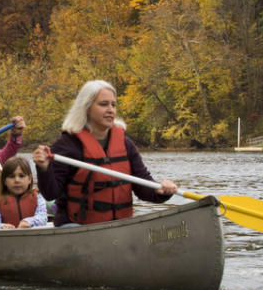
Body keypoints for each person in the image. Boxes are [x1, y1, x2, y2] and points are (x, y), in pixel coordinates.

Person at [32, 80, 177, 226]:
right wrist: (44, 168)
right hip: (76, 226)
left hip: (118, 226)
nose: (111, 110)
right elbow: (51, 193)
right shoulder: (67, 145)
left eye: (113, 105)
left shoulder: (125, 144)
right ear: (87, 107)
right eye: (103, 104)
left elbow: (144, 188)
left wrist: (162, 190)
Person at [0, 155, 49, 230]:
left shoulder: (38, 197)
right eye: (12, 176)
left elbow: (42, 218)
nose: (17, 180)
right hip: (8, 238)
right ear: (4, 181)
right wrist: (1, 226)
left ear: (29, 179)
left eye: (21, 176)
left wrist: (28, 222)